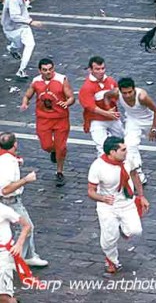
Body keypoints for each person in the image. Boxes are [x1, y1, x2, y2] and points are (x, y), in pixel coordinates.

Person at [87, 136, 149, 274]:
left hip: (127, 201)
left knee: (135, 230)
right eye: (123, 150)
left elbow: (134, 175)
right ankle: (111, 260)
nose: (126, 152)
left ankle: (123, 229)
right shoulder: (98, 166)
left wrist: (141, 196)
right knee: (109, 238)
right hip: (108, 206)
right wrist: (102, 198)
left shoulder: (128, 160)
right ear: (112, 152)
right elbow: (90, 191)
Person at [20, 58, 74, 186]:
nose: (48, 72)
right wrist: (24, 103)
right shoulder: (36, 81)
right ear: (40, 71)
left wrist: (66, 103)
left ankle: (59, 171)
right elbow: (28, 95)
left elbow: (71, 97)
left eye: (50, 69)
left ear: (53, 68)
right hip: (43, 119)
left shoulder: (62, 80)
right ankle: (54, 151)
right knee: (46, 145)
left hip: (60, 118)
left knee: (61, 147)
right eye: (45, 70)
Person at [0, 132, 48, 268]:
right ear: (14, 144)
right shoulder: (8, 163)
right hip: (10, 201)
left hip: (7, 201)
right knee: (26, 227)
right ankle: (17, 258)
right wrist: (26, 180)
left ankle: (28, 255)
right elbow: (6, 189)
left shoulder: (7, 159)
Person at [103, 78, 156, 185]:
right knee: (130, 145)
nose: (127, 95)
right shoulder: (115, 93)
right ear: (120, 91)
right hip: (132, 120)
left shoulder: (142, 97)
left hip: (148, 120)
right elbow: (106, 96)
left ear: (134, 89)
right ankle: (138, 172)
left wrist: (154, 128)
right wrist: (108, 109)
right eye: (124, 93)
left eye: (130, 92)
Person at [79, 56, 124, 155]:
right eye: (97, 69)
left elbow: (118, 96)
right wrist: (107, 113)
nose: (101, 71)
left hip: (112, 118)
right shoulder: (86, 87)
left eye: (103, 68)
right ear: (90, 70)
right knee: (101, 146)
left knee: (121, 142)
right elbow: (90, 106)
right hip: (96, 120)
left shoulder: (111, 81)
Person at [1, 0, 40, 78]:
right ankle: (21, 70)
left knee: (19, 45)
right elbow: (15, 17)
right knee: (30, 44)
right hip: (16, 27)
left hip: (12, 28)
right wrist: (30, 22)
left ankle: (12, 49)